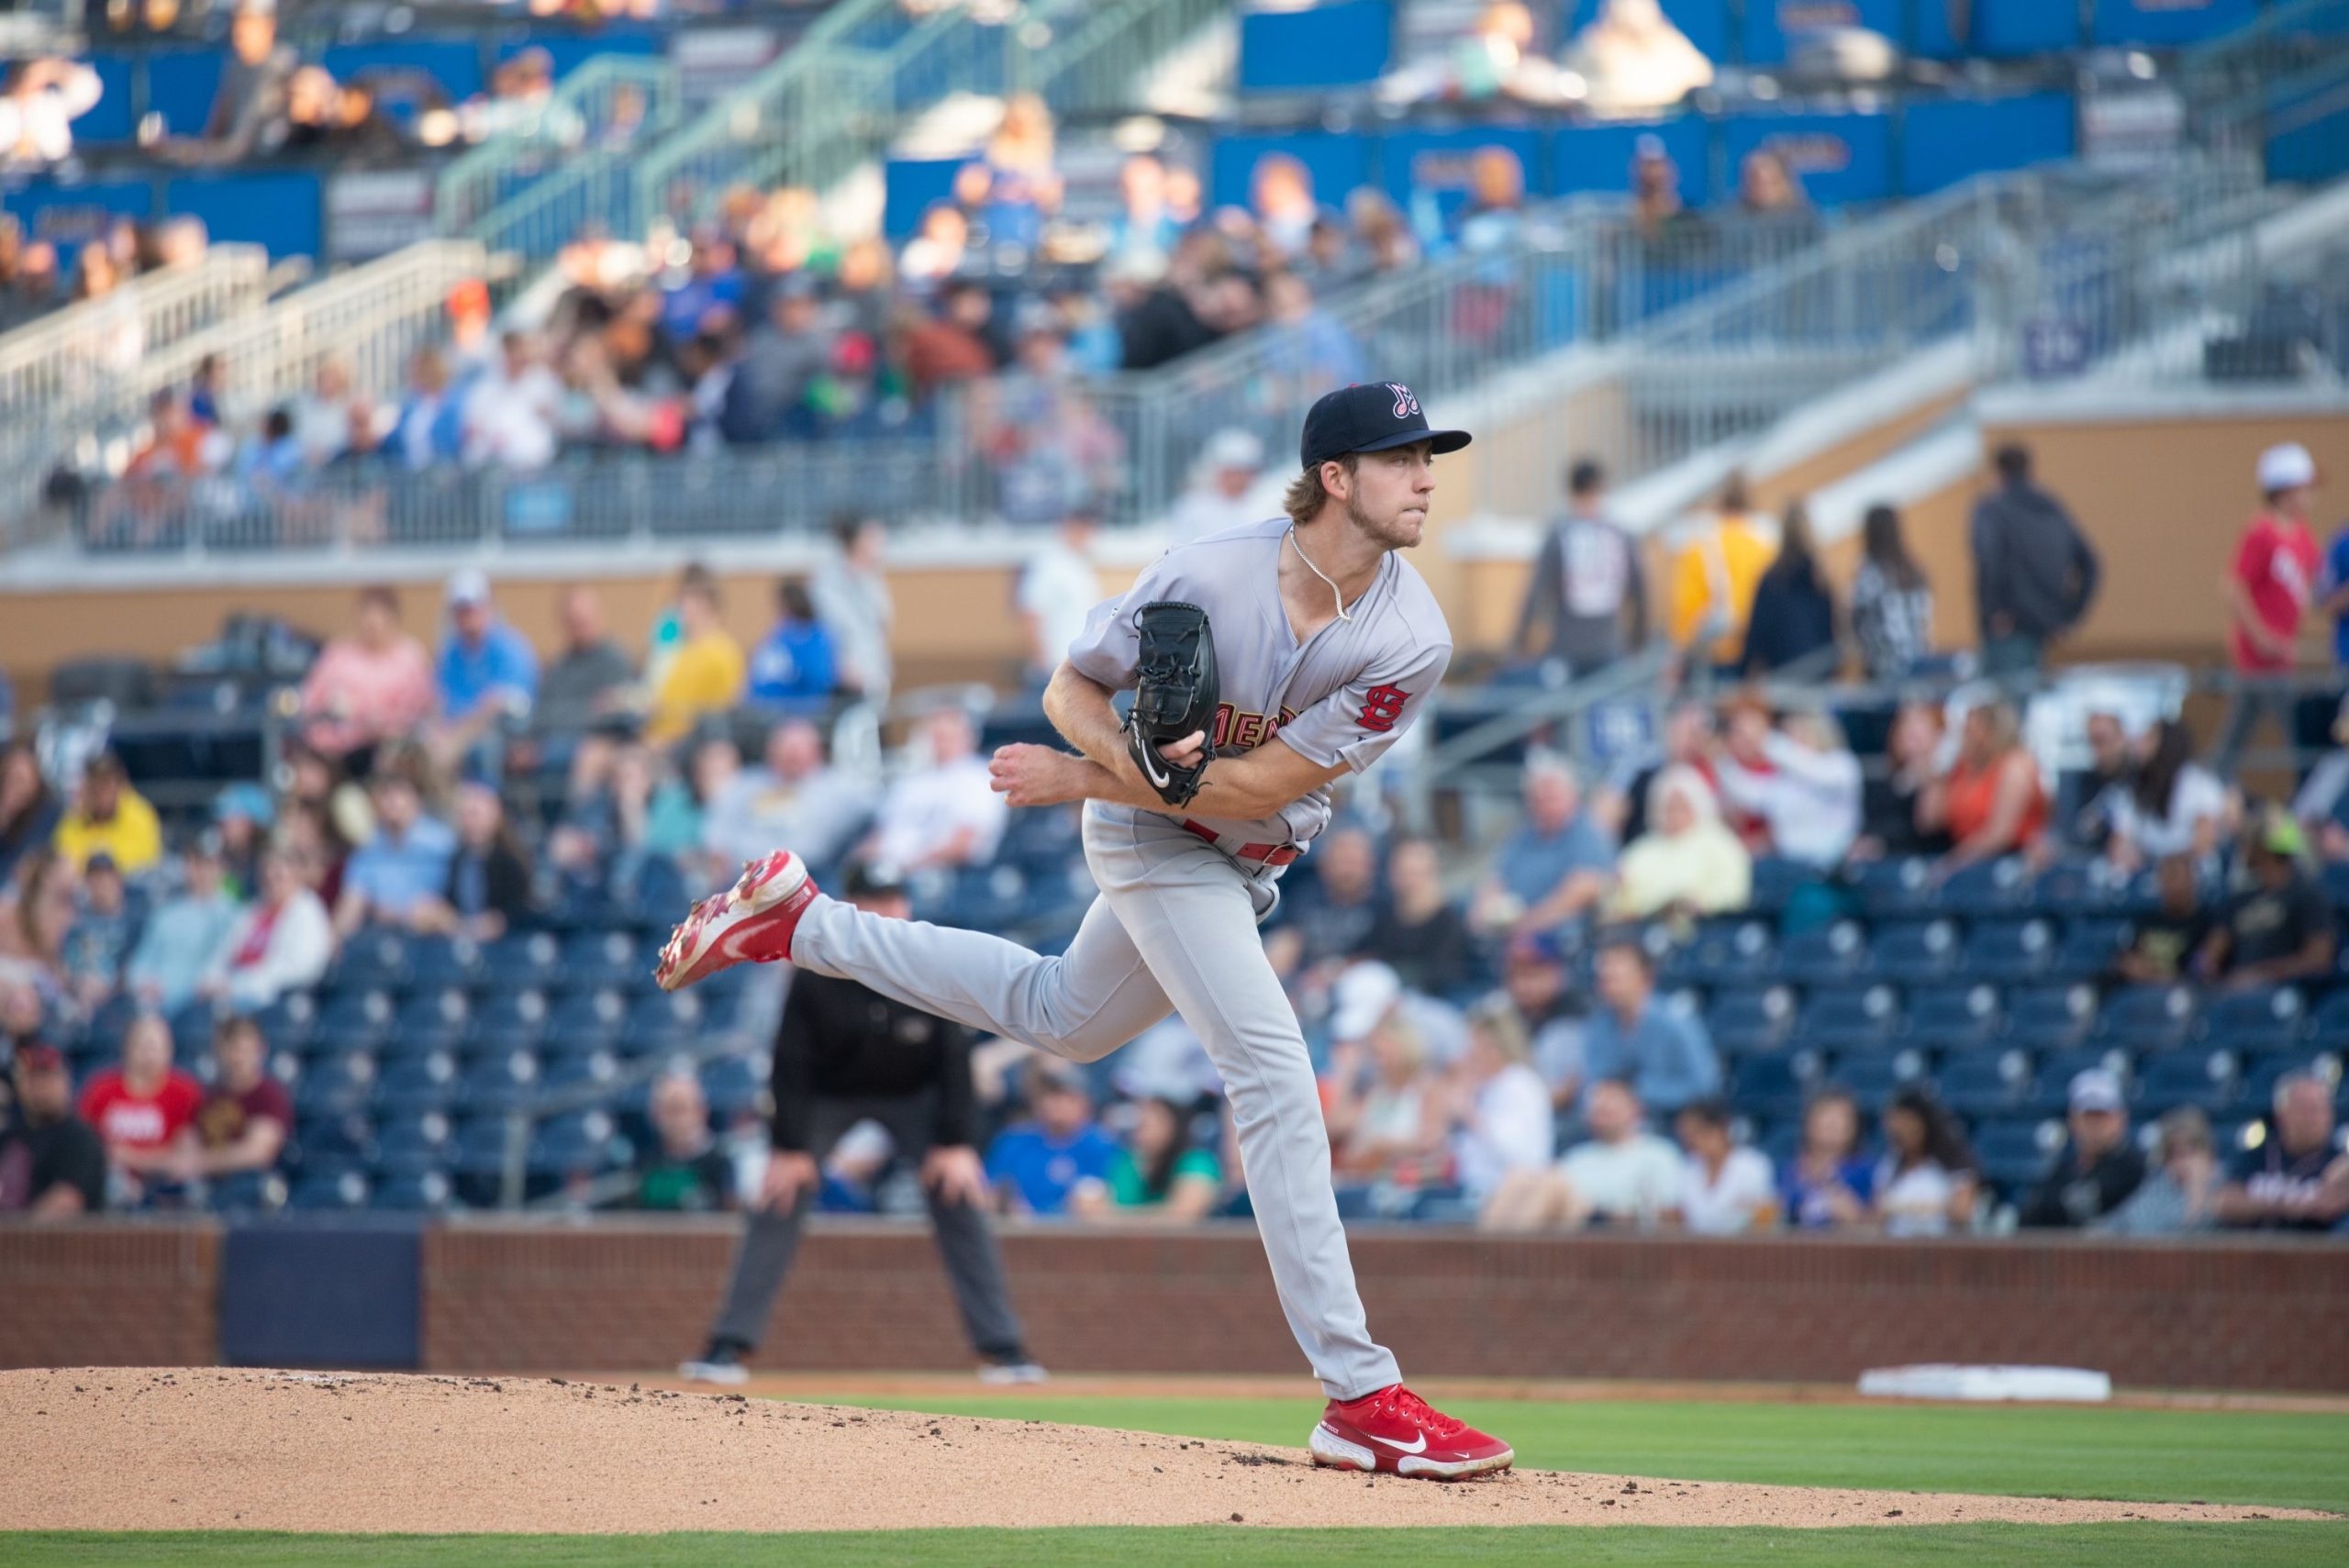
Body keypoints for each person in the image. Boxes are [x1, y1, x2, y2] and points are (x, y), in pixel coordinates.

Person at [652, 381, 1514, 1477]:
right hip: (1156, 846)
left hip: (1238, 847)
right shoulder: (1210, 569)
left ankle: (799, 922)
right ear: (1335, 477)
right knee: (1273, 1071)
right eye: (1402, 457)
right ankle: (1358, 1391)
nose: (1427, 475)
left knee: (1055, 1012)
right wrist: (1091, 756)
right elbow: (1069, 685)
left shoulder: (1412, 633)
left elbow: (1263, 785)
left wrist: (1084, 774)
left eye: (1429, 455)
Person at [680, 863, 1041, 1385]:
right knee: (779, 1190)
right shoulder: (816, 974)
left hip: (914, 1098)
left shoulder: (928, 963)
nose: (886, 912)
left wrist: (955, 1143)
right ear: (849, 908)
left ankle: (1006, 1350)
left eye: (894, 900)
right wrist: (790, 1146)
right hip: (831, 1098)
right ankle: (727, 1347)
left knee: (959, 1190)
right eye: (873, 901)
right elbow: (790, 1064)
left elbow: (953, 1064)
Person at [2215, 442, 2322, 777]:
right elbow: (2234, 587)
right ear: (2284, 491)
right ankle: (2311, 795)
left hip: (2283, 653)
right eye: (2305, 488)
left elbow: (2315, 584)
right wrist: (2261, 637)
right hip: (2261, 657)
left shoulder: (2302, 535)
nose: (2310, 496)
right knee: (2299, 731)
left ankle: (2214, 781)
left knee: (2239, 731)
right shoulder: (2261, 532)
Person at [1480, 1079, 1682, 1231]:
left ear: (1635, 1109)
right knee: (1518, 1176)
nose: (1601, 1107)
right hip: (1566, 1225)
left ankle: (1497, 1259)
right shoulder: (1578, 1156)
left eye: (1610, 1104)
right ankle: (1483, 1253)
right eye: (1597, 1105)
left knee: (1553, 1185)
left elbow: (1666, 1213)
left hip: (1611, 1226)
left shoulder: (1658, 1153)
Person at [1970, 443, 2099, 677]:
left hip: (2007, 628)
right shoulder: (2052, 510)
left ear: (1998, 473)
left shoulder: (1993, 510)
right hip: (2046, 627)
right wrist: (2069, 616)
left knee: (2002, 706)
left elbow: (1991, 561)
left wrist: (1994, 610)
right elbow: (2091, 565)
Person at [1515, 458, 1648, 676]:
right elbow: (1640, 591)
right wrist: (1638, 642)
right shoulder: (1620, 534)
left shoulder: (1559, 535)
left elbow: (1537, 592)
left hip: (1567, 645)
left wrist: (1520, 643)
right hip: (1608, 644)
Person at [1471, 759, 1616, 940]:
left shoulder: (1587, 834)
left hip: (1564, 939)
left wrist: (1525, 927)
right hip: (1513, 936)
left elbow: (1583, 890)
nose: (1544, 804)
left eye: (1552, 796)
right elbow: (1495, 880)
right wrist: (1482, 915)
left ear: (1572, 795)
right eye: (1538, 797)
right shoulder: (1522, 836)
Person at [704, 719, 869, 878]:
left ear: (817, 750)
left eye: (798, 748)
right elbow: (718, 829)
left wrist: (869, 845)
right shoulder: (746, 785)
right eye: (785, 747)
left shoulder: (839, 787)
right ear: (770, 750)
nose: (792, 754)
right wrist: (719, 853)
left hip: (814, 875)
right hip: (748, 877)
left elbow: (877, 818)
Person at [1577, 939, 1721, 1117]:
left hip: (1674, 1123)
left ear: (1646, 978)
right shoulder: (1599, 1024)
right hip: (1620, 1126)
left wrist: (1639, 1093)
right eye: (1604, 979)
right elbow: (1594, 1082)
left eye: (1616, 979)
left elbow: (1705, 1086)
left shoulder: (1676, 1022)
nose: (1608, 987)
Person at [2191, 814, 2336, 988]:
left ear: (2262, 847)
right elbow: (2211, 954)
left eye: (2248, 843)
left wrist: (2263, 974)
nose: (2242, 849)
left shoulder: (2308, 895)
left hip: (2284, 993)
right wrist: (2206, 966)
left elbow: (2318, 959)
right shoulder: (2240, 899)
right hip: (2233, 991)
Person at [1712, 704, 1863, 869]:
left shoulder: (1841, 765)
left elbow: (1809, 768)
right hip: (1788, 866)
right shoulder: (1785, 779)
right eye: (1790, 736)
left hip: (1831, 868)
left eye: (1800, 735)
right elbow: (1749, 793)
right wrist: (1721, 758)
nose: (1793, 742)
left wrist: (1763, 738)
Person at [863, 707, 1008, 874]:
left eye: (948, 737)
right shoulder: (911, 781)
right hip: (888, 872)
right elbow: (881, 834)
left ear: (967, 738)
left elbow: (965, 844)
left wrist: (909, 866)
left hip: (944, 877)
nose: (941, 744)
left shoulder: (980, 777)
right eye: (936, 737)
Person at [78, 1012, 204, 1200]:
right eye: (143, 1045)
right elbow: (85, 1144)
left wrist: (128, 1156)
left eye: (156, 1046)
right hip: (108, 1182)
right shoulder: (100, 1089)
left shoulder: (186, 1091)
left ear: (169, 1050)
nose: (149, 1053)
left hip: (165, 1186)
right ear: (126, 1047)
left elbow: (185, 1155)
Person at [1444, 997, 1554, 1201]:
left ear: (1494, 1045)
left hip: (1512, 1194)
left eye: (1475, 1043)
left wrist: (1471, 1115)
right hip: (1469, 1188)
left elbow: (1520, 1158)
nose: (1469, 1052)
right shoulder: (1482, 1088)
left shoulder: (1522, 1084)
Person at [1609, 766, 1752, 921]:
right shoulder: (1642, 849)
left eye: (1681, 806)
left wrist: (1701, 903)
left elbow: (1734, 891)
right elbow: (1619, 895)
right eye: (1669, 807)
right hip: (1643, 927)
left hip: (1703, 928)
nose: (1675, 814)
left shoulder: (1719, 842)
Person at [1919, 700, 2047, 872]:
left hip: (2007, 863)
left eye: (1970, 731)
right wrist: (1938, 772)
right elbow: (1929, 822)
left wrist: (1949, 865)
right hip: (1965, 863)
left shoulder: (2015, 765)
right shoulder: (1961, 768)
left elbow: (2000, 834)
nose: (1963, 737)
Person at [2213, 1072, 2348, 1232]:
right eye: (2305, 1110)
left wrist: (2256, 1204)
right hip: (2251, 1249)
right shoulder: (2259, 1155)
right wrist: (2292, 1206)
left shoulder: (2339, 1162)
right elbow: (2224, 1203)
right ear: (2281, 1115)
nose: (2314, 1119)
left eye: (2320, 1110)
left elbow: (2330, 1205)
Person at [1667, 473, 1776, 673]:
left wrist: (1679, 652)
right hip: (1755, 655)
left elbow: (1685, 607)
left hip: (1712, 655)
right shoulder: (1765, 547)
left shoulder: (1699, 546)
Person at [985, 1057, 1119, 1218]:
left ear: (1084, 1102)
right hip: (1020, 1234)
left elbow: (1115, 1202)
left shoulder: (1103, 1146)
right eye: (1049, 1094)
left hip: (1081, 1236)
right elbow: (989, 1193)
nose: (1055, 1103)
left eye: (1064, 1094)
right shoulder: (1013, 1142)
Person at [334, 766, 459, 939]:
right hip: (386, 940)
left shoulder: (444, 844)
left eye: (400, 793)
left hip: (437, 941)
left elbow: (459, 904)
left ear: (417, 799)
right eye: (385, 794)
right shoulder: (368, 851)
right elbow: (350, 907)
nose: (393, 801)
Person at [1324, 1010, 1443, 1184]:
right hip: (1365, 1181)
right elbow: (1333, 1126)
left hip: (1406, 1185)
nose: (1377, 1059)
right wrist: (1346, 1075)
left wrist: (1381, 1146)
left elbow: (1430, 1141)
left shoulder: (1426, 1088)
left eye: (1382, 1051)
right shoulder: (1376, 1091)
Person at [2017, 1069, 2146, 1229]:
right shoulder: (2064, 1169)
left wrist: (2051, 1206)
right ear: (2073, 1120)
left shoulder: (2132, 1166)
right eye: (2088, 1116)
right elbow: (2030, 1214)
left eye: (2101, 1116)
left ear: (2120, 1119)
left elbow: (2081, 1204)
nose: (2095, 1125)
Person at [203, 850, 331, 1010]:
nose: (271, 882)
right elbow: (223, 954)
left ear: (297, 875)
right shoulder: (252, 910)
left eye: (279, 876)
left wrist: (237, 986)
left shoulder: (308, 912)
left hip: (273, 1002)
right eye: (266, 877)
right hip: (231, 995)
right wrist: (211, 980)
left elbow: (298, 969)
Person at [125, 836, 239, 1013]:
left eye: (208, 864)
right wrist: (144, 983)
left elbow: (229, 965)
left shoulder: (233, 914)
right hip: (160, 1005)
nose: (201, 871)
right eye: (194, 862)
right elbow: (140, 964)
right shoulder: (165, 913)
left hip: (204, 1006)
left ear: (221, 868)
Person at [433, 571, 540, 755]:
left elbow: (507, 705)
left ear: (489, 607)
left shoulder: (511, 648)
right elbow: (443, 703)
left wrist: (459, 734)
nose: (468, 616)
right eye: (461, 610)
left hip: (504, 738)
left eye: (473, 608)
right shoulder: (451, 654)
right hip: (458, 733)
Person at [180, 1014, 292, 1189]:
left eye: (244, 1050)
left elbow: (258, 1152)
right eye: (231, 1049)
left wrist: (199, 1162)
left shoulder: (269, 1095)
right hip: (207, 1188)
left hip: (251, 1191)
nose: (237, 1058)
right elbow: (188, 1142)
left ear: (260, 1051)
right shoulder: (209, 1096)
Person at [2105, 719, 2231, 873]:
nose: (2139, 745)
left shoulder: (2199, 784)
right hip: (2147, 878)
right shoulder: (2134, 789)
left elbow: (2204, 842)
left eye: (2149, 738)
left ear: (2168, 744)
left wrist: (2169, 866)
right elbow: (2119, 842)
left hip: (2192, 876)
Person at [414, 781, 533, 943]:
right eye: (465, 815)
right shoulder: (457, 859)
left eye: (475, 814)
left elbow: (521, 911)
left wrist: (500, 922)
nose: (471, 822)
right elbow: (452, 905)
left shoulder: (510, 862)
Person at [1264, 824, 1384, 984]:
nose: (1347, 871)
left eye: (1354, 862)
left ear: (1370, 865)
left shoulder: (1383, 900)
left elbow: (1384, 956)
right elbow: (1288, 939)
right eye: (1341, 861)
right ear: (1324, 863)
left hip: (1357, 983)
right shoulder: (1306, 896)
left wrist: (1335, 970)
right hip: (1306, 981)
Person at [0, 1042, 106, 1218]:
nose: (40, 1087)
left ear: (65, 1081)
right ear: (20, 1084)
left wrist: (15, 1235)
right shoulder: (10, 1135)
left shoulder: (79, 1136)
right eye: (32, 1078)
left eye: (47, 1077)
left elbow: (66, 1200)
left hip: (59, 1242)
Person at [1075, 1095, 1223, 1220]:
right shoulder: (1128, 1162)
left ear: (1172, 1126)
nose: (1139, 1126)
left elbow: (1183, 1215)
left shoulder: (1198, 1161)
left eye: (1148, 1122)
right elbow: (1100, 1209)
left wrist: (1112, 1218)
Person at [1360, 837, 1475, 997]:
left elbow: (1445, 975)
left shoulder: (1448, 920)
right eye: (1403, 873)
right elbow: (1367, 954)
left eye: (1416, 873)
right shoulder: (1385, 916)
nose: (1409, 881)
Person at [1740, 502, 1839, 678]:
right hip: (1818, 669)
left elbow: (1758, 630)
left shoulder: (1773, 579)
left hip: (1782, 672)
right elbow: (1830, 630)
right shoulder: (1820, 579)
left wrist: (1744, 669)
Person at [645, 574, 747, 746]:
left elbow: (726, 707)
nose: (683, 614)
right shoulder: (680, 650)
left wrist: (673, 712)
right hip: (659, 733)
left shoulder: (723, 651)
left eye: (690, 607)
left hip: (690, 740)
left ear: (709, 610)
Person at [2095, 1107, 2221, 1237]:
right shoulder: (2159, 1185)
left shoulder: (2228, 1187)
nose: (2183, 1163)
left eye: (2190, 1153)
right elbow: (2121, 1223)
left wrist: (2196, 1189)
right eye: (2174, 1155)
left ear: (2209, 1155)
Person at [532, 585, 636, 742]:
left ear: (598, 617)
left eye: (583, 621)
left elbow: (610, 715)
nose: (579, 628)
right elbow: (542, 712)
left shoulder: (614, 662)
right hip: (547, 743)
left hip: (590, 744)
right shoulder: (560, 665)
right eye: (573, 622)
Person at [811, 515, 896, 703]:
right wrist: (844, 666)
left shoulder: (873, 581)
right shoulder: (829, 581)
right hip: (844, 679)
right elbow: (832, 627)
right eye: (873, 540)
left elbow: (881, 626)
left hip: (873, 678)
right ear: (858, 542)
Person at [1872, 1090, 1977, 1237]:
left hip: (1943, 1246)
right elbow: (1878, 1213)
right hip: (1897, 1248)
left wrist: (1912, 1208)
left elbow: (1962, 1211)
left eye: (1909, 1123)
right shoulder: (1890, 1163)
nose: (1904, 1132)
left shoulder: (1953, 1159)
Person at [1017, 508, 1103, 687]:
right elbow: (1031, 614)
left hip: (1081, 668)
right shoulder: (1049, 565)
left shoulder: (1081, 567)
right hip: (1055, 668)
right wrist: (1041, 662)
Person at [1849, 503, 1934, 680]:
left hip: (1885, 669)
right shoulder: (1914, 570)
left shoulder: (1870, 574)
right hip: (1919, 664)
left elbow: (1856, 621)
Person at [629, 1073, 735, 1213]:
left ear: (702, 1112)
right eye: (670, 1110)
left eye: (682, 1109)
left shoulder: (718, 1164)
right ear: (655, 1115)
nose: (676, 1120)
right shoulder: (643, 1165)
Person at [1675, 1098, 1777, 1235]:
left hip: (1742, 1249)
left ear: (1720, 1129)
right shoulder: (1687, 1168)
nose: (1694, 1140)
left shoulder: (1753, 1166)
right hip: (1695, 1250)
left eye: (1699, 1132)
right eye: (1688, 1135)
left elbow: (1766, 1219)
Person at [51, 752, 162, 876]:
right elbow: (64, 860)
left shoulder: (140, 814)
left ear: (120, 784)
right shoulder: (75, 817)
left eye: (106, 784)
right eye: (95, 785)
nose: (101, 792)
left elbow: (142, 863)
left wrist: (97, 864)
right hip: (83, 890)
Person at [2112, 853, 2213, 984]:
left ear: (2192, 881)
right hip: (2139, 992)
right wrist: (2130, 964)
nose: (2172, 886)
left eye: (2176, 878)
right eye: (2167, 879)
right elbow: (2124, 957)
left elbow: (2203, 970)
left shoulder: (2205, 922)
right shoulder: (2148, 920)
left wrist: (2152, 975)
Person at [1780, 1089, 1873, 1230]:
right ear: (1809, 1123)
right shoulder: (1793, 1170)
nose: (1832, 1123)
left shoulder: (1863, 1169)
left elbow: (1863, 1216)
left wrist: (1827, 1180)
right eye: (1825, 1115)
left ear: (1854, 1126)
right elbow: (1784, 1211)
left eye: (1840, 1117)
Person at [1166, 429, 1278, 546]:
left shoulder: (1268, 505)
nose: (1239, 479)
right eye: (1233, 472)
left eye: (1245, 472)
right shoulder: (1193, 507)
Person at [60, 853, 136, 1013]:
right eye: (95, 879)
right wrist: (75, 985)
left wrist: (112, 988)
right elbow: (64, 961)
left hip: (116, 996)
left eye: (106, 878)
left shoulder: (133, 921)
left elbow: (135, 967)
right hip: (76, 993)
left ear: (118, 880)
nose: (101, 885)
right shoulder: (76, 921)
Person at [746, 579, 839, 707]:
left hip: (806, 709)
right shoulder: (779, 634)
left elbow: (819, 678)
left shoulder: (816, 636)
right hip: (769, 708)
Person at [0, 740, 61, 890]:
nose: (11, 786)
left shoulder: (46, 817)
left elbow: (23, 868)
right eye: (7, 777)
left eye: (20, 780)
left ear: (34, 786)